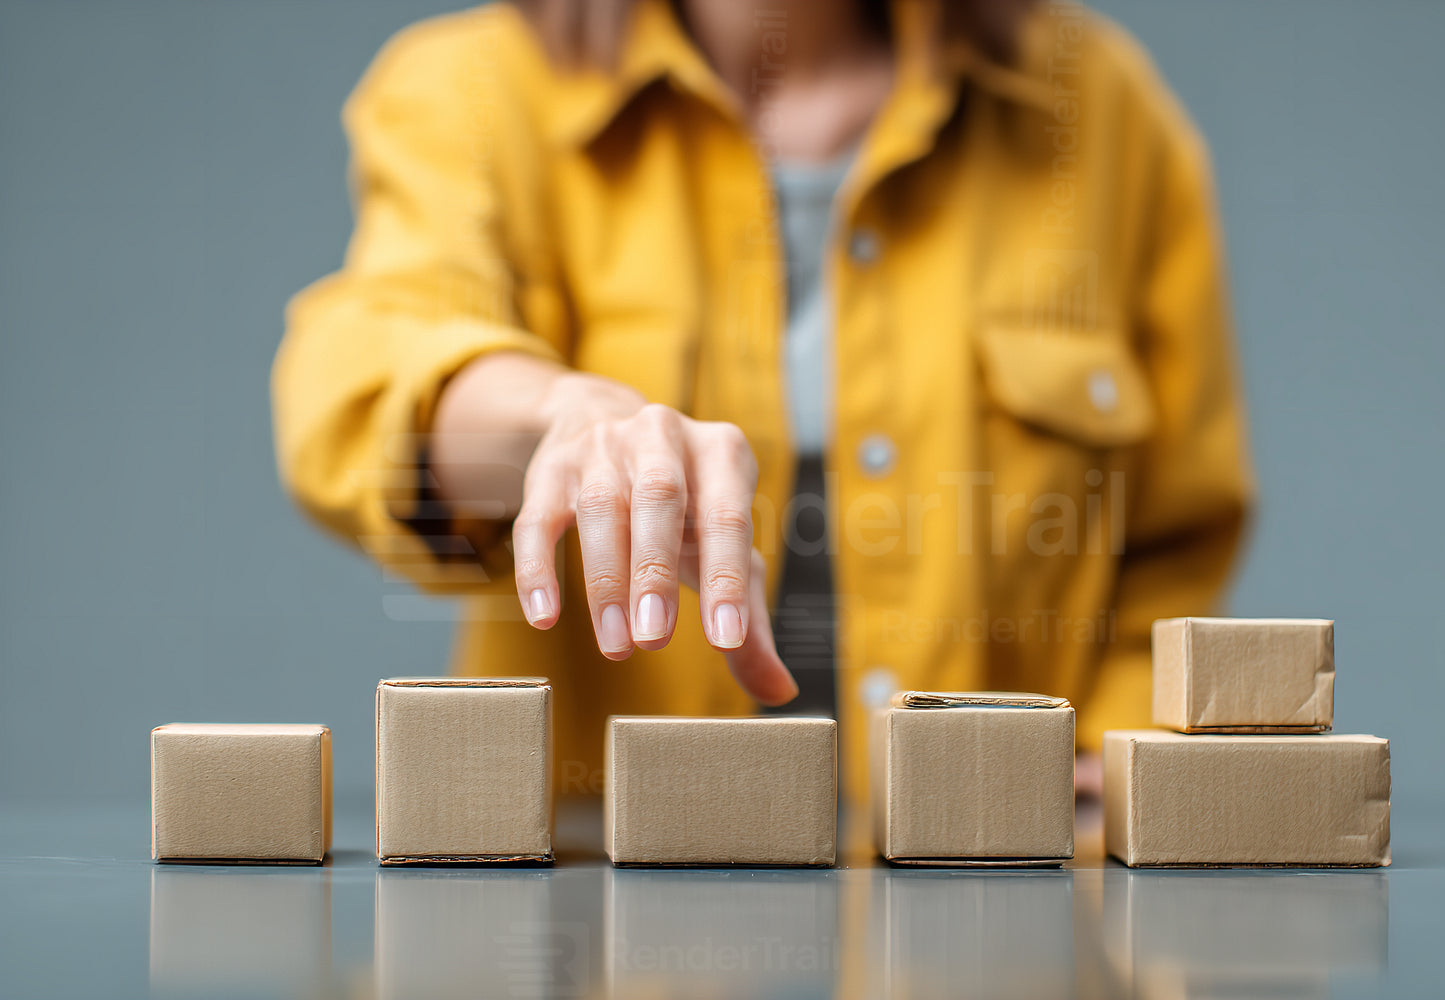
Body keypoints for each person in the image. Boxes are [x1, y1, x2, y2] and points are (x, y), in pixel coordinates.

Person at [272, 0, 1252, 804]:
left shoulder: (1096, 105)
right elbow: (375, 371)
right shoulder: (474, 88)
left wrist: (1119, 751)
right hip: (600, 912)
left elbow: (1174, 536)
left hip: (992, 901)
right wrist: (560, 417)